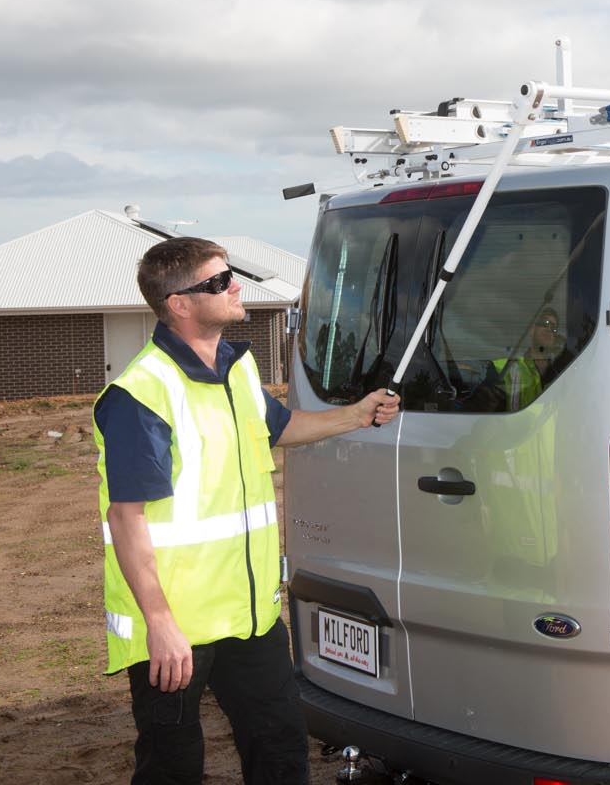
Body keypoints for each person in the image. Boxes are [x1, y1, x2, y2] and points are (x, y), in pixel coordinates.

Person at [93, 237, 400, 785]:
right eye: (218, 282)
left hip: (249, 618)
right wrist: (160, 624)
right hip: (177, 629)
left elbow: (280, 428)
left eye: (230, 275)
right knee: (173, 766)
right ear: (180, 305)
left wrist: (357, 415)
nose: (235, 287)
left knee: (281, 750)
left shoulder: (235, 368)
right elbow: (127, 518)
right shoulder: (142, 393)